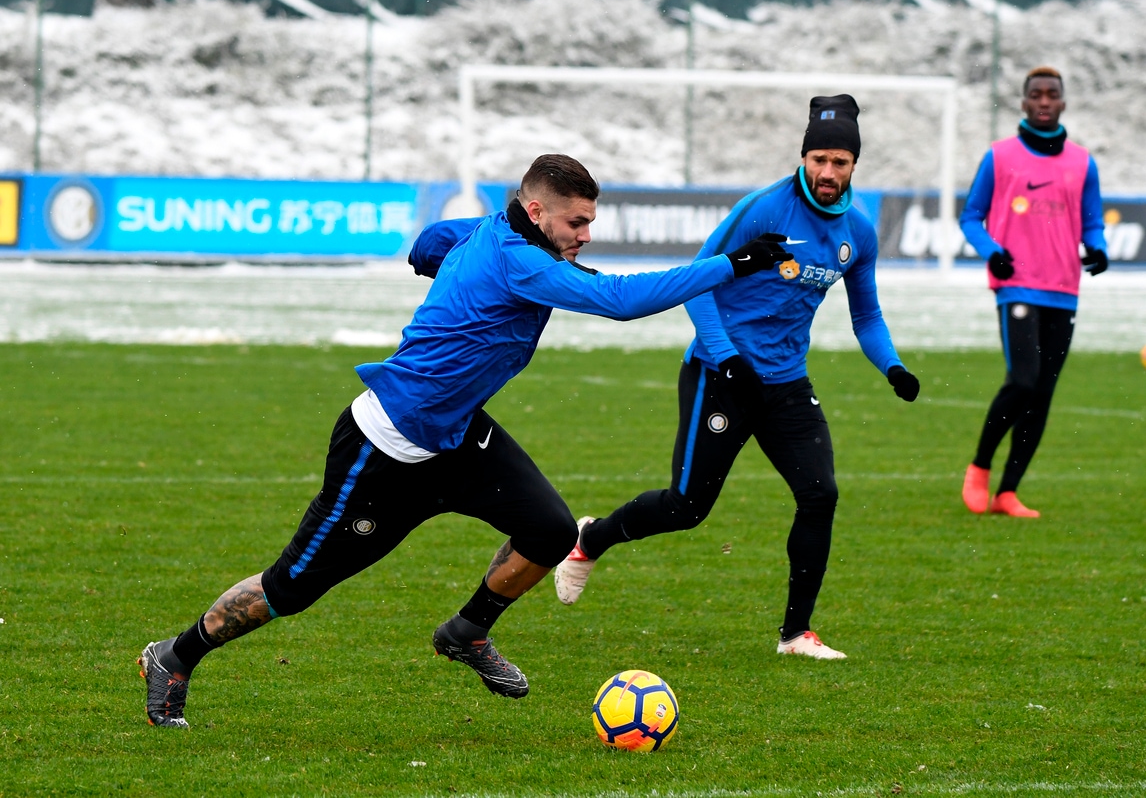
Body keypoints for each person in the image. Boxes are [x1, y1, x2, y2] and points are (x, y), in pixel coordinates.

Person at [137, 154, 792, 727]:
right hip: (385, 450)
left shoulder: (492, 233)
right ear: (535, 212)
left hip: (457, 436)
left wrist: (449, 267)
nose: (586, 236)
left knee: (549, 532)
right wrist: (730, 265)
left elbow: (427, 244)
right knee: (290, 588)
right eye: (576, 223)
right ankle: (174, 655)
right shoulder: (518, 260)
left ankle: (467, 630)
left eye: (590, 223)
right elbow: (620, 300)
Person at [553, 96, 919, 660]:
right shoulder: (765, 209)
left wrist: (892, 366)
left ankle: (796, 634)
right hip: (719, 375)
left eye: (840, 162)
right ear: (804, 158)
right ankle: (590, 538)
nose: (828, 172)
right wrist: (727, 356)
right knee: (687, 508)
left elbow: (866, 315)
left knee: (820, 494)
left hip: (787, 384)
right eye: (819, 159)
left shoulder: (859, 233)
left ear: (854, 165)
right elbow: (697, 281)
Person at [959, 66, 1107, 519]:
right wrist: (992, 252)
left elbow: (1092, 221)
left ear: (1063, 102)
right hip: (1017, 286)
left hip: (1064, 289)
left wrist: (1098, 248)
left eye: (1052, 94)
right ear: (1023, 103)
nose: (1044, 101)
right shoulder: (999, 156)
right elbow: (971, 216)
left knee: (1042, 393)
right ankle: (979, 466)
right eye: (1036, 94)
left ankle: (1008, 493)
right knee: (1022, 380)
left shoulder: (1083, 162)